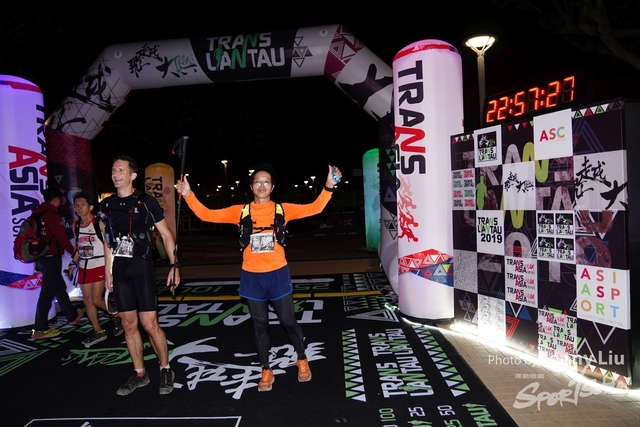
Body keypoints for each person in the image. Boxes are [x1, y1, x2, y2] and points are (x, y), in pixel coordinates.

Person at [175, 163, 342, 392]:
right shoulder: (240, 211)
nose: (261, 185)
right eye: (257, 182)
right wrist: (188, 194)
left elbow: (315, 208)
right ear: (251, 187)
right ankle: (266, 369)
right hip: (252, 277)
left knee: (288, 321)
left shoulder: (283, 209)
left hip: (278, 274)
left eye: (266, 182)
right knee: (260, 325)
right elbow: (207, 214)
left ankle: (302, 358)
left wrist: (329, 186)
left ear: (272, 187)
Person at [101, 155, 181, 396]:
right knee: (128, 324)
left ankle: (165, 369)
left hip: (142, 268)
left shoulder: (146, 202)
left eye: (121, 170)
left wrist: (174, 265)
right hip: (120, 270)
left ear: (133, 175)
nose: (115, 174)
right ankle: (140, 374)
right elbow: (107, 241)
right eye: (113, 170)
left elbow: (166, 235)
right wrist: (108, 271)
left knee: (149, 324)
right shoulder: (107, 205)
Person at [67, 192, 123, 347]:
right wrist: (73, 263)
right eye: (76, 205)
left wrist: (110, 266)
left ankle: (115, 315)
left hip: (99, 264)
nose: (79, 208)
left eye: (82, 204)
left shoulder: (98, 222)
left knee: (96, 299)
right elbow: (78, 246)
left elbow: (109, 243)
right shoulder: (76, 225)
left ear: (90, 207)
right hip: (84, 266)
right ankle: (98, 331)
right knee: (87, 300)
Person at [31, 187, 84, 339]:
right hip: (51, 258)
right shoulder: (51, 215)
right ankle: (40, 329)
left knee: (58, 287)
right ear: (56, 200)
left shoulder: (36, 213)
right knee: (47, 293)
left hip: (40, 258)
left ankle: (72, 315)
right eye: (60, 200)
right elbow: (61, 237)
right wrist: (74, 253)